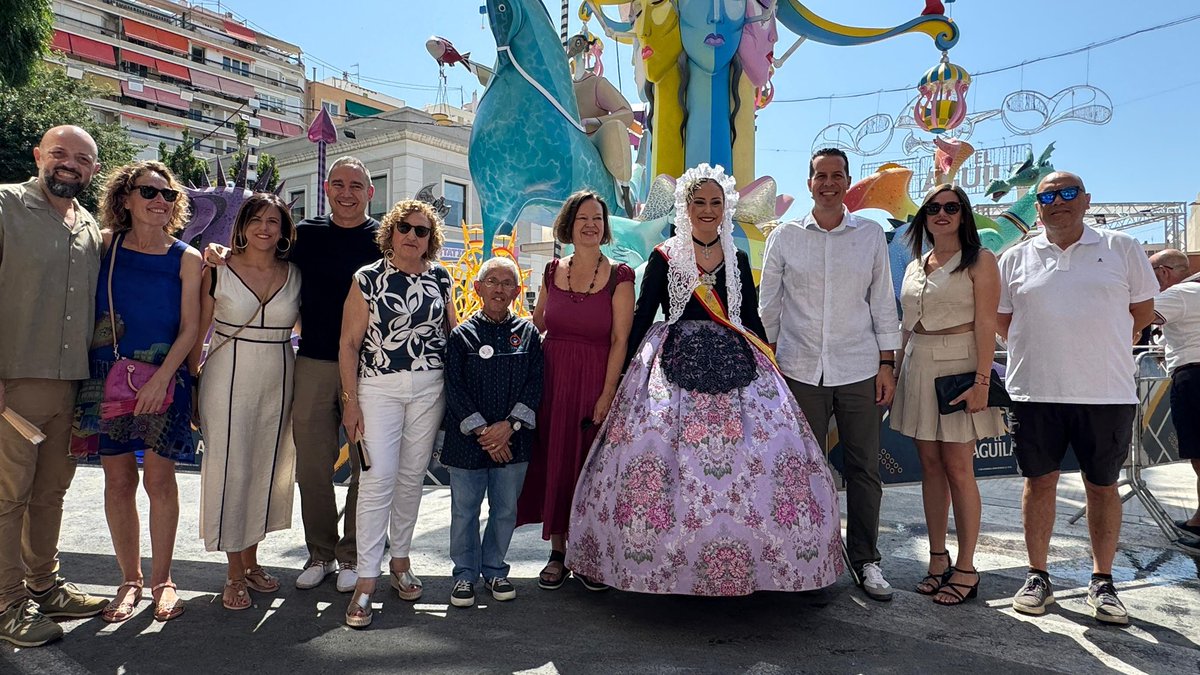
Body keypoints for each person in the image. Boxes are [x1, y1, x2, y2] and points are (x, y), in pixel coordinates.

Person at [566, 164, 844, 595]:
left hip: (738, 361)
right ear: (686, 207)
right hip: (671, 362)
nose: (708, 210)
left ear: (725, 207)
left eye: (716, 202)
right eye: (699, 202)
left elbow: (748, 317)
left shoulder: (738, 258)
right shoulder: (664, 256)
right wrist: (623, 375)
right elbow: (644, 315)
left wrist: (774, 367)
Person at [204, 156, 379, 593]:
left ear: (370, 193)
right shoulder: (305, 236)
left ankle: (354, 554)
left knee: (366, 467)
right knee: (312, 467)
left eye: (356, 185)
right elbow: (260, 256)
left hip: (371, 369)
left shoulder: (385, 238)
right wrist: (224, 252)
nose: (346, 192)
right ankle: (321, 553)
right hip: (314, 363)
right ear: (326, 188)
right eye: (338, 183)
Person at [999, 171, 1157, 625]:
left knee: (1102, 487)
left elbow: (1142, 313)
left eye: (1068, 193)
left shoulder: (1121, 247)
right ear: (1039, 206)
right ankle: (1037, 575)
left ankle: (1102, 581)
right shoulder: (1015, 258)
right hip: (1035, 391)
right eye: (1047, 195)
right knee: (1038, 483)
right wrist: (1044, 348)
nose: (1058, 201)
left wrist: (1094, 346)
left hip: (1105, 392)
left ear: (1086, 200)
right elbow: (1003, 321)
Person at [758, 147, 901, 601]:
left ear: (846, 181)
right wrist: (768, 364)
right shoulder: (785, 236)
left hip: (858, 366)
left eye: (837, 175)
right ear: (809, 182)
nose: (828, 183)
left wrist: (886, 364)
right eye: (821, 175)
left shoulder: (871, 235)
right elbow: (769, 306)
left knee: (863, 469)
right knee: (804, 470)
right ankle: (809, 559)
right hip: (799, 369)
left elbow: (882, 301)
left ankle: (865, 560)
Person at [72, 161, 203, 623]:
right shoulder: (103, 245)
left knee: (160, 480)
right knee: (119, 480)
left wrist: (164, 376)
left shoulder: (187, 256)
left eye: (168, 195)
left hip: (165, 378)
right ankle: (129, 579)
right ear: (125, 197)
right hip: (106, 374)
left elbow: (191, 328)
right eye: (149, 193)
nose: (159, 202)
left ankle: (164, 579)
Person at [0, 126, 109, 647]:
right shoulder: (4, 206)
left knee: (50, 494)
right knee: (6, 498)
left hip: (71, 387)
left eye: (83, 159)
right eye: (61, 154)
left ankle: (42, 584)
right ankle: (5, 602)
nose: (70, 165)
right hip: (13, 382)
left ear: (92, 170)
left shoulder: (87, 224)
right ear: (39, 155)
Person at [338, 199, 455, 628]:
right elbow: (348, 345)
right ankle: (365, 580)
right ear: (391, 232)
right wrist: (350, 404)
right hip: (378, 389)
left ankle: (400, 562)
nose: (412, 235)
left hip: (429, 388)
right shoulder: (367, 279)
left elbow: (451, 336)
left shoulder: (442, 278)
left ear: (430, 240)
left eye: (421, 230)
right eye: (404, 227)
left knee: (411, 479)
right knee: (377, 478)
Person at [890, 185, 1006, 606]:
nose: (942, 213)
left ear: (963, 214)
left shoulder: (981, 261)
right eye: (933, 208)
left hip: (960, 365)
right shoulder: (914, 265)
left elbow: (986, 326)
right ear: (924, 216)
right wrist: (895, 372)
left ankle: (967, 567)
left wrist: (980, 383)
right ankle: (937, 559)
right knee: (929, 465)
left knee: (959, 466)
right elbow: (907, 326)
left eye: (951, 207)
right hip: (918, 364)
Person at [516, 191, 634, 591]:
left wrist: (607, 394)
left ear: (605, 227)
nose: (590, 224)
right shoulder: (551, 271)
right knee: (557, 461)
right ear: (569, 224)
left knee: (591, 466)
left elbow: (620, 340)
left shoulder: (620, 276)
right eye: (582, 217)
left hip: (595, 381)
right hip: (552, 381)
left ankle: (589, 553)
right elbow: (537, 325)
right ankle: (559, 551)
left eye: (597, 218)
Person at [189, 193, 300, 610]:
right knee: (231, 469)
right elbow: (198, 330)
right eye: (256, 219)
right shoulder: (217, 269)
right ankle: (233, 573)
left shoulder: (296, 274)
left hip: (279, 375)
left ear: (284, 229)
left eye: (274, 221)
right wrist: (192, 384)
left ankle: (252, 562)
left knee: (266, 470)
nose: (265, 228)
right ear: (242, 224)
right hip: (226, 376)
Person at [441, 257, 543, 608]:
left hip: (513, 442)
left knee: (504, 511)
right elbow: (453, 388)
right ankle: (464, 577)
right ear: (477, 288)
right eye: (492, 281)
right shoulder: (461, 335)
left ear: (517, 291)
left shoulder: (528, 333)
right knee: (464, 512)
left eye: (507, 283)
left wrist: (509, 428)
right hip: (468, 442)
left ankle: (495, 570)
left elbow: (535, 383)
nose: (499, 289)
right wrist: (485, 431)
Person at [1149, 249, 1200, 540]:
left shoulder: (1178, 294)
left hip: (1193, 376)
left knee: (1199, 453)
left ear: (1164, 273)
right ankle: (1198, 519)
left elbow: (1139, 313)